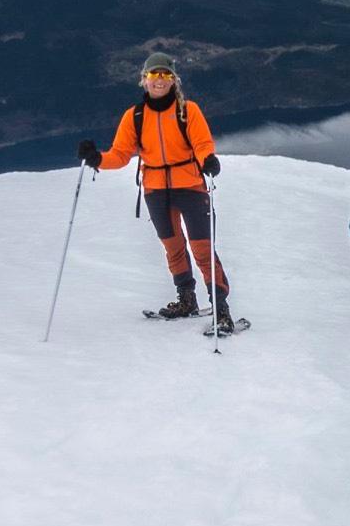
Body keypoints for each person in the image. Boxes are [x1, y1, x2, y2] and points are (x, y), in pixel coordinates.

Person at [78, 52, 236, 333]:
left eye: (165, 75)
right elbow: (120, 154)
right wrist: (97, 159)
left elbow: (202, 143)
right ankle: (186, 298)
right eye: (154, 75)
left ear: (174, 80)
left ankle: (221, 309)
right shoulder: (135, 117)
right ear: (144, 80)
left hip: (190, 186)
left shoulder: (188, 111)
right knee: (173, 247)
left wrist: (207, 160)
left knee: (201, 249)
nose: (159, 81)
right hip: (155, 190)